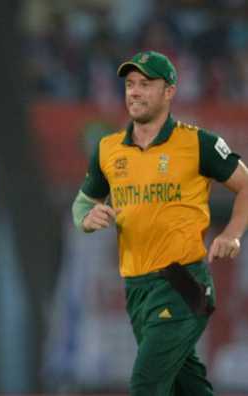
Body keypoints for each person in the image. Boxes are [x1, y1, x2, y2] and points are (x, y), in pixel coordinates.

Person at [71, 51, 248, 395]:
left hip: (182, 281)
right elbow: (83, 202)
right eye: (130, 84)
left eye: (146, 84)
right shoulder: (108, 149)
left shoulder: (198, 143)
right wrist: (87, 218)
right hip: (136, 287)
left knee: (146, 383)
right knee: (187, 385)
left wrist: (232, 233)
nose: (134, 92)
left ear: (169, 92)